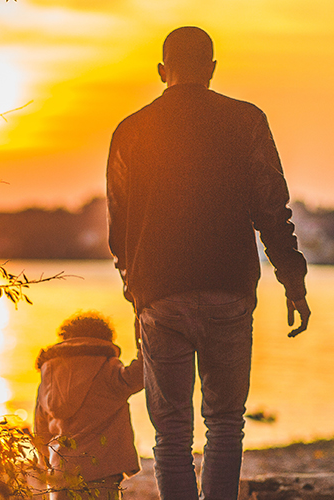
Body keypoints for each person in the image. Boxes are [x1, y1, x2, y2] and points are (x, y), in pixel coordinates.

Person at [105, 26, 311, 500]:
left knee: (171, 437)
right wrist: (293, 282)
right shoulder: (246, 121)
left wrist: (135, 291)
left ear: (162, 72)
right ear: (213, 70)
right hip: (229, 291)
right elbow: (272, 210)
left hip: (160, 295)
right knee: (224, 424)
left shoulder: (130, 131)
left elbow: (120, 226)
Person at [32, 311, 146, 500]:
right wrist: (143, 332)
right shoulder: (108, 369)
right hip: (101, 471)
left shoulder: (49, 374)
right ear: (104, 339)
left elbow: (40, 432)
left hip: (61, 474)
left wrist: (49, 467)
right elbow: (143, 372)